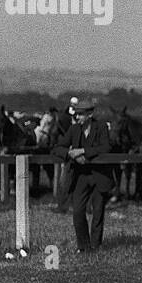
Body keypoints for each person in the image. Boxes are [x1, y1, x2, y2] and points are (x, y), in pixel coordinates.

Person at [51, 99, 115, 252]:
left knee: (98, 212)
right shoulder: (74, 129)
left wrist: (83, 151)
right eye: (76, 115)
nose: (77, 118)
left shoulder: (101, 127)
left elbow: (106, 147)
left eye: (80, 115)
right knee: (78, 212)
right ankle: (83, 246)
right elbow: (57, 148)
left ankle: (95, 246)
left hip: (100, 175)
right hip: (80, 177)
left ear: (90, 114)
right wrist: (70, 154)